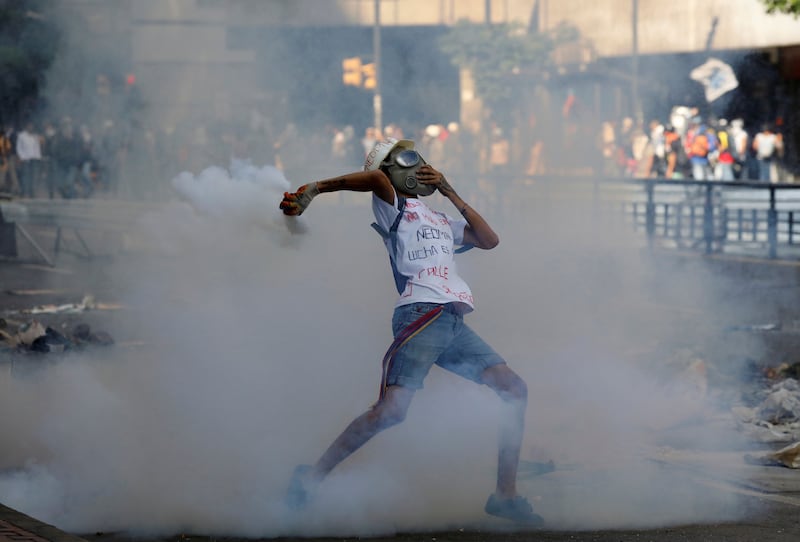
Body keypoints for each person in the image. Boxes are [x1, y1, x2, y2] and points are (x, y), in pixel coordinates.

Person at [279, 137, 544, 526]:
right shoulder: (394, 206)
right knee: (392, 411)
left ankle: (505, 495)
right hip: (421, 313)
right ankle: (311, 477)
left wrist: (449, 190)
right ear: (390, 170)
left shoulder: (438, 219)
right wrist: (316, 189)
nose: (417, 167)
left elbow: (490, 240)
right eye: (405, 161)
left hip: (452, 319)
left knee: (513, 388)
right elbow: (373, 180)